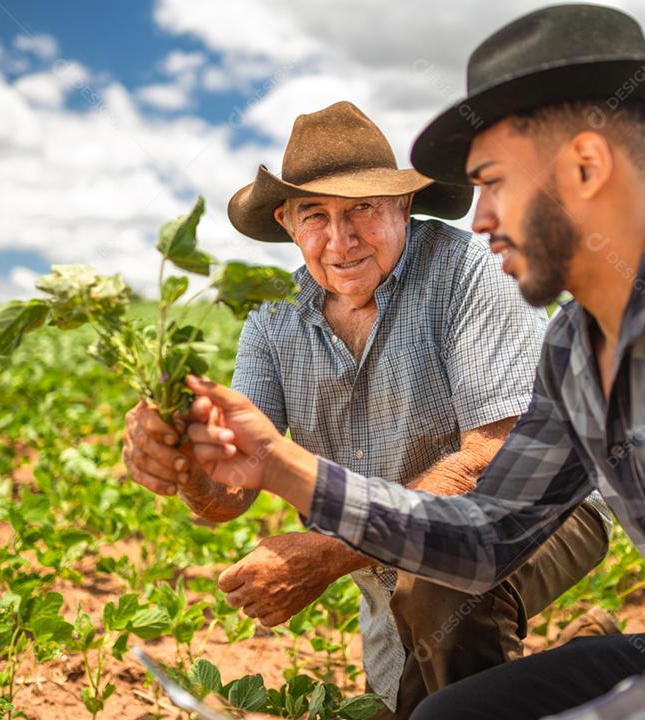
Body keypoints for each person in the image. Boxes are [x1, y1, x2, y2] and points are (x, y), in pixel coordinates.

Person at [173, 5, 645, 719]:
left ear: (585, 167)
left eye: (493, 182)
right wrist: (278, 464)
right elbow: (487, 534)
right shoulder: (579, 344)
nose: (479, 219)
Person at [122, 100, 612, 718]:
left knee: (438, 588)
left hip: (544, 513)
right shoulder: (272, 323)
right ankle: (591, 666)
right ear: (287, 222)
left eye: (362, 211)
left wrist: (330, 551)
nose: (341, 239)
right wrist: (185, 464)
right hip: (387, 560)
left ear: (402, 206)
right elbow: (230, 494)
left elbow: (495, 465)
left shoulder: (467, 271)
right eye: (315, 216)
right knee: (415, 699)